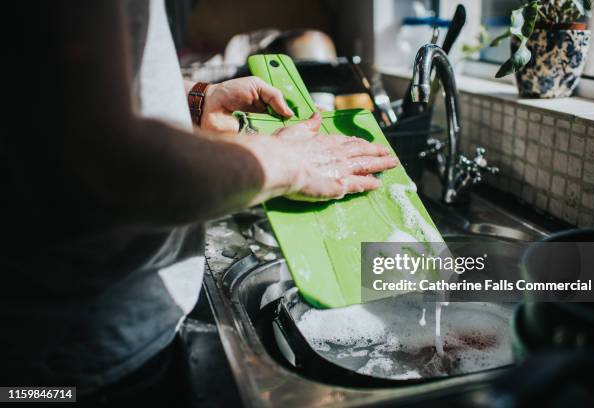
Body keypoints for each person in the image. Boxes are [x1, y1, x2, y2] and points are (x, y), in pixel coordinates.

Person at [1, 0, 397, 401]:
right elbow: (101, 162)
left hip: (97, 338)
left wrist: (194, 99)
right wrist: (287, 163)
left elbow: (50, 91)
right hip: (62, 372)